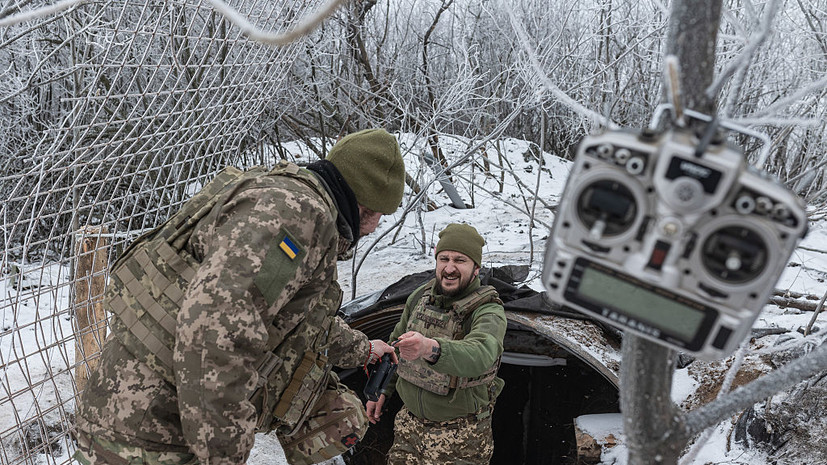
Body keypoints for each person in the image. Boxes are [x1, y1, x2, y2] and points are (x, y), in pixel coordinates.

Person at [73, 128, 406, 465]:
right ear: (370, 207)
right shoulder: (299, 218)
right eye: (381, 216)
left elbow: (298, 320)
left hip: (144, 417)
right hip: (150, 435)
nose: (376, 226)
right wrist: (225, 456)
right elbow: (213, 334)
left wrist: (363, 349)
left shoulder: (280, 193)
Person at [366, 223, 507, 464]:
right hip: (408, 428)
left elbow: (481, 353)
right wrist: (380, 391)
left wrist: (430, 348)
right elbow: (394, 346)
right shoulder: (420, 297)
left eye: (460, 260)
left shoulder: (488, 310)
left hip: (461, 437)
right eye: (444, 258)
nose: (449, 268)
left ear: (476, 268)